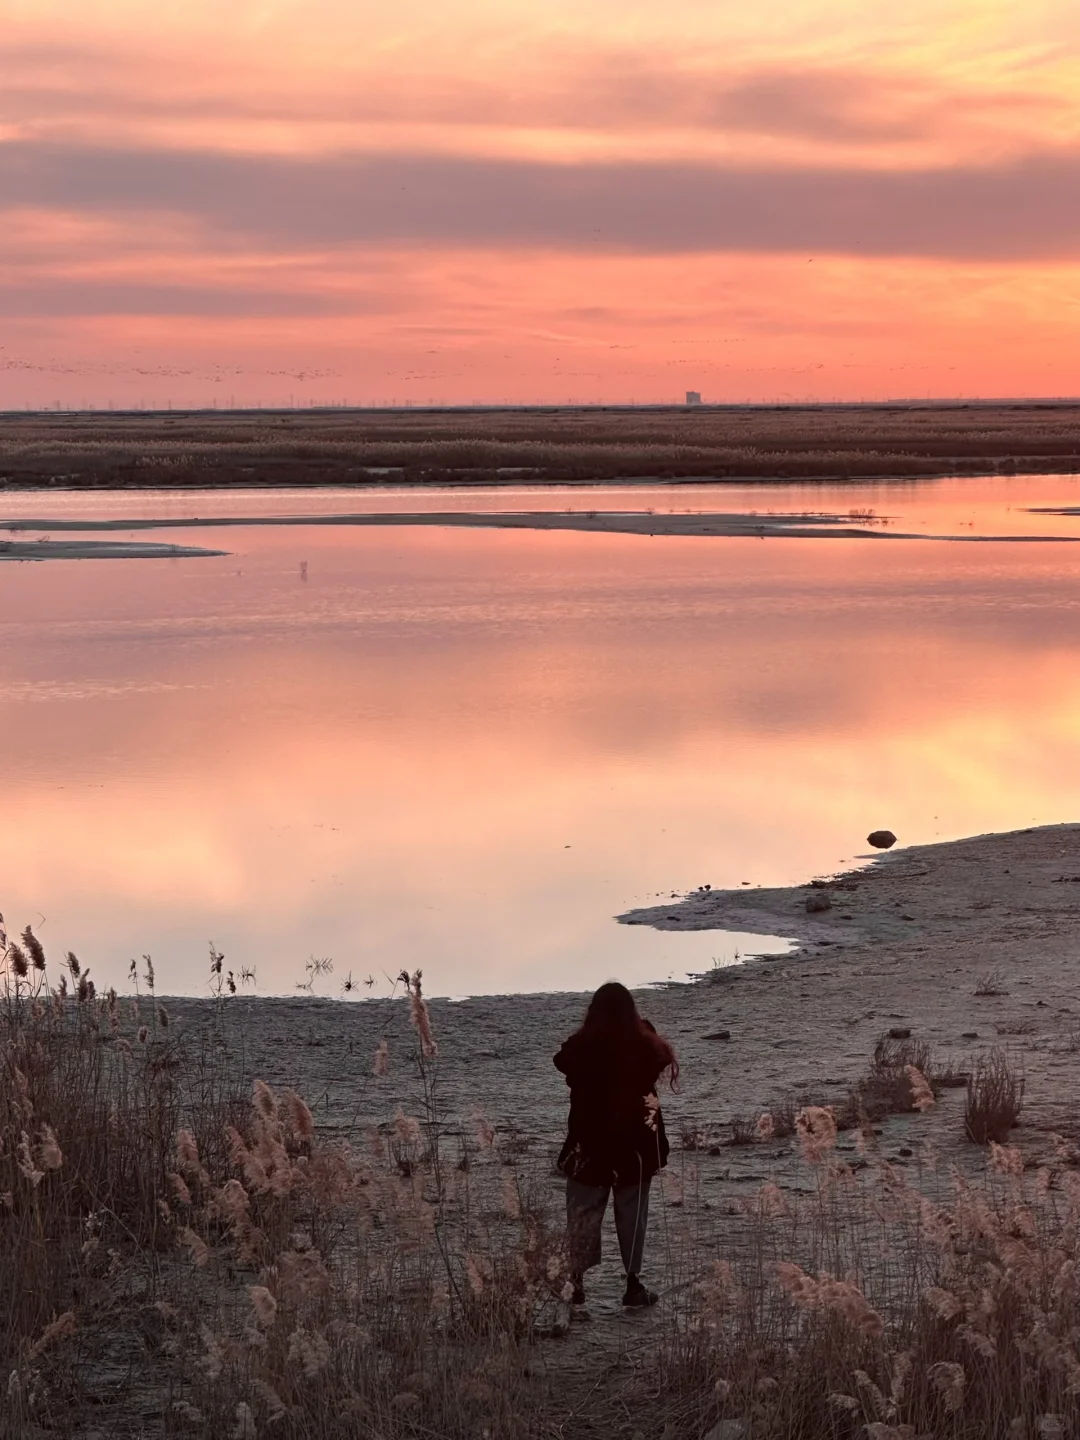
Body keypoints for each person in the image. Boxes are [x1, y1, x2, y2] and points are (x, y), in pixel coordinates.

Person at [553, 981, 679, 1309]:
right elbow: (662, 1055)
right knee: (633, 1214)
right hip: (635, 1146)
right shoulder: (643, 1043)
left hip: (589, 1144)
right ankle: (633, 1286)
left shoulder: (583, 1046)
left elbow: (562, 1059)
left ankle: (576, 1283)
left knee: (582, 1213)